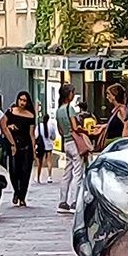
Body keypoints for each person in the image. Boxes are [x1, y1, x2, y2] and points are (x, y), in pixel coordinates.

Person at [54, 84, 84, 212]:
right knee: (78, 172)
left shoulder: (59, 110)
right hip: (74, 142)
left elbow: (60, 130)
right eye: (73, 92)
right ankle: (74, 202)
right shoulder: (69, 109)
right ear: (69, 94)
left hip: (66, 143)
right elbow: (75, 127)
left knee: (67, 173)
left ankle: (63, 202)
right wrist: (82, 129)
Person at [4, 93, 37, 206]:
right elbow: (3, 126)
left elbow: (31, 134)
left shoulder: (31, 115)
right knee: (13, 171)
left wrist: (34, 150)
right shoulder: (10, 112)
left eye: (25, 101)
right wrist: (9, 127)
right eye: (21, 100)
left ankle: (22, 196)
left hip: (26, 146)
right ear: (17, 100)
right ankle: (17, 192)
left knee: (25, 172)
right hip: (13, 145)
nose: (22, 103)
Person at [36, 113, 55, 183]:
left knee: (40, 163)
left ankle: (38, 178)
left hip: (41, 146)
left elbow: (36, 136)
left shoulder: (39, 126)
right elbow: (53, 137)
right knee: (49, 162)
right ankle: (49, 177)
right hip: (49, 146)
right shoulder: (51, 126)